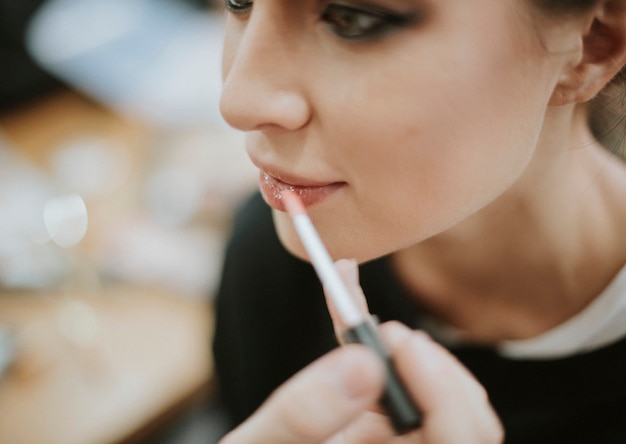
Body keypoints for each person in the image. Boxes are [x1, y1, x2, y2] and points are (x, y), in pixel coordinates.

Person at [212, 0, 626, 442]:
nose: (236, 101)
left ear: (591, 45)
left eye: (352, 19)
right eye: (240, 0)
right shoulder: (271, 258)